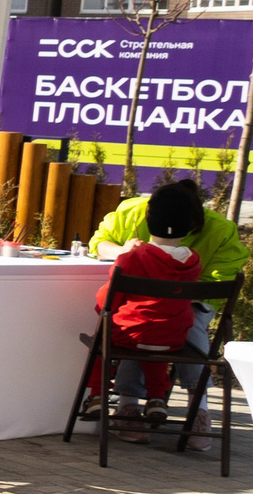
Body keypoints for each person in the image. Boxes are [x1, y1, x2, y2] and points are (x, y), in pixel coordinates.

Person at [91, 178, 239, 450]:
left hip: (182, 309)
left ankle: (191, 409)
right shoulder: (134, 213)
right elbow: (99, 242)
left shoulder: (221, 230)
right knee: (155, 325)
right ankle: (146, 403)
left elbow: (214, 286)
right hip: (162, 323)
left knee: (147, 325)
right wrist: (123, 250)